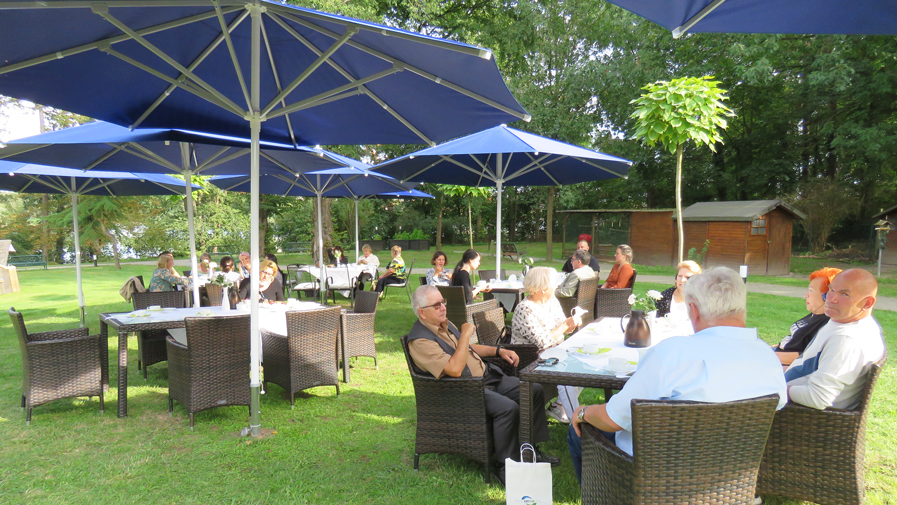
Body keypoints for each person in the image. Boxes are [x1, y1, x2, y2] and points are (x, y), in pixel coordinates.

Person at [568, 267, 788, 483]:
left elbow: (613, 419)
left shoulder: (672, 354)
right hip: (732, 476)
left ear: (693, 310)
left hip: (656, 477)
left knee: (578, 432)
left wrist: (583, 412)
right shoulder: (768, 357)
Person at [407, 285, 558, 484]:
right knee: (508, 408)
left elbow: (467, 348)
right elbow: (454, 370)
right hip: (462, 390)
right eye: (436, 305)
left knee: (533, 390)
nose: (443, 307)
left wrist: (498, 350)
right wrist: (465, 335)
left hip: (486, 378)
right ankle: (505, 465)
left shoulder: (443, 324)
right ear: (422, 313)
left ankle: (530, 449)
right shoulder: (420, 341)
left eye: (443, 302)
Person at [785, 269, 884, 410]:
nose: (831, 299)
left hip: (797, 415)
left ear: (867, 303)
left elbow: (818, 398)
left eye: (844, 294)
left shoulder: (846, 340)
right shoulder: (844, 322)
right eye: (831, 290)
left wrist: (777, 388)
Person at [511, 266, 582, 424]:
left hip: (553, 351)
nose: (557, 286)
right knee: (568, 377)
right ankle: (577, 423)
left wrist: (572, 323)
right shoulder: (525, 309)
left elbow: (561, 329)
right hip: (531, 360)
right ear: (542, 289)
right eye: (554, 284)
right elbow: (542, 341)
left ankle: (559, 406)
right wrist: (564, 327)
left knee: (585, 362)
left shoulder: (551, 301)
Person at [772, 267, 842, 366]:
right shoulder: (816, 313)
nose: (806, 295)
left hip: (783, 365)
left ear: (827, 296)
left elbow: (804, 358)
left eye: (811, 291)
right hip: (777, 354)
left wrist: (766, 355)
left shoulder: (826, 324)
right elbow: (791, 340)